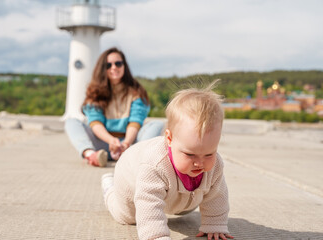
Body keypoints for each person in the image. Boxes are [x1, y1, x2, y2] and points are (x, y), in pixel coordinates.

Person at [101, 81, 234, 240]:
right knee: (128, 217)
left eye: (209, 154)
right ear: (169, 138)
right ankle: (109, 188)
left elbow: (217, 195)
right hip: (128, 174)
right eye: (190, 155)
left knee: (185, 209)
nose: (200, 163)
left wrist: (215, 224)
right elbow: (148, 201)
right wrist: (156, 235)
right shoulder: (155, 164)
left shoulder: (215, 165)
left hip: (178, 196)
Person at [65, 47, 164, 167]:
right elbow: (95, 123)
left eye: (118, 63)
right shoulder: (95, 92)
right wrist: (111, 140)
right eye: (108, 65)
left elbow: (135, 121)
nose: (114, 68)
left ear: (124, 66)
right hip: (103, 143)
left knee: (157, 124)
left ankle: (136, 156)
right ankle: (91, 155)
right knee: (71, 122)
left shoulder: (136, 92)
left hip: (130, 143)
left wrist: (126, 143)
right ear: (103, 69)